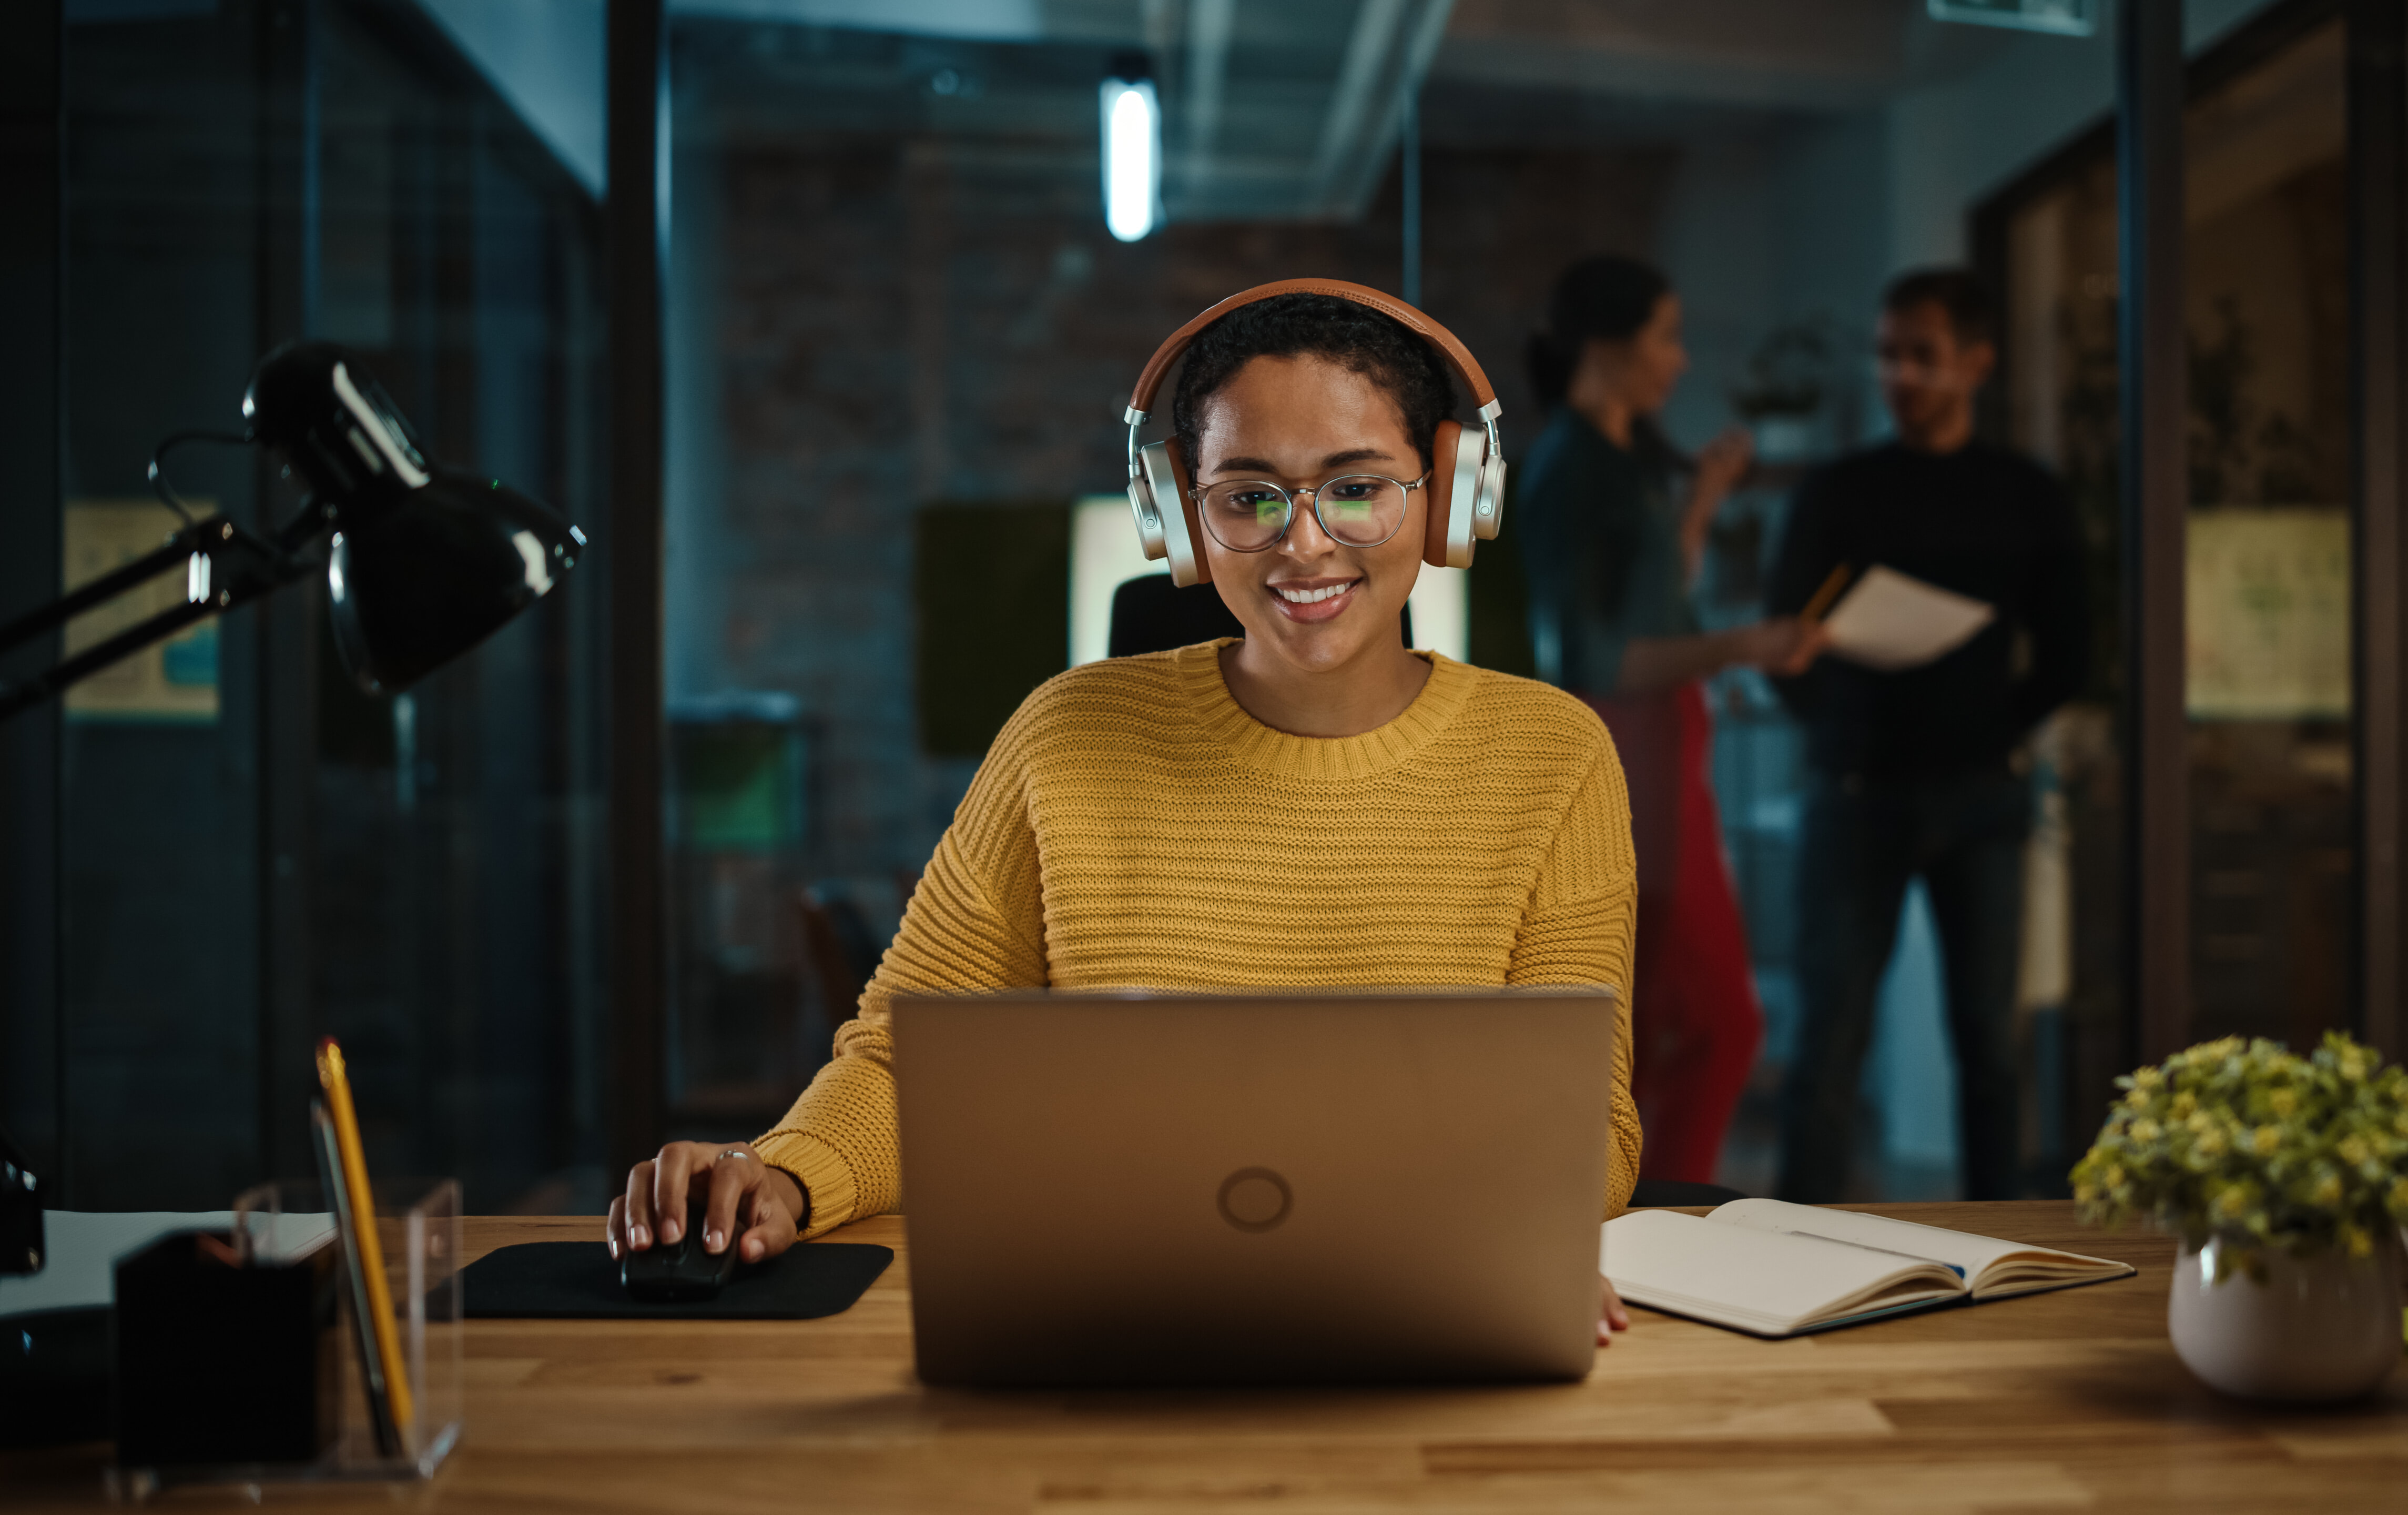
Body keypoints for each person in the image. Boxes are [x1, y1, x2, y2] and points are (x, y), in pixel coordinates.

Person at [611, 286, 1642, 1344]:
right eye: (1247, 498)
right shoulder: (1065, 736)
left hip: (1429, 1313)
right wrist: (781, 1172)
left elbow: (1588, 1125)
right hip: (1102, 1315)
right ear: (1176, 516)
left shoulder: (1552, 755)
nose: (1302, 546)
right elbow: (902, 1060)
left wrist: (1482, 1228)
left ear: (1450, 495)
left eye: (1358, 488)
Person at [1761, 267, 2089, 1204]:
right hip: (1857, 791)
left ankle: (2004, 1241)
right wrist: (1842, 728)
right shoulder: (1839, 490)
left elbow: (2070, 655)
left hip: (1983, 794)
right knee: (1828, 1040)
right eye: (1887, 355)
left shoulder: (2026, 495)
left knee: (1990, 1041)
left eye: (1922, 356)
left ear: (1976, 364)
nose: (1899, 375)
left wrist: (1987, 730)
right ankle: (1791, 1244)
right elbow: (1788, 634)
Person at [1514, 255, 1811, 1187]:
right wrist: (1745, 647)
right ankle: (1664, 1213)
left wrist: (1701, 510)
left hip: (1663, 750)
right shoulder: (1574, 470)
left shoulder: (1618, 457)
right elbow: (1606, 662)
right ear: (1608, 345)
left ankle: (1634, 1212)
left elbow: (1649, 609)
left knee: (1652, 1020)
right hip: (1633, 753)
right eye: (1667, 337)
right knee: (1720, 1022)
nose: (1680, 362)